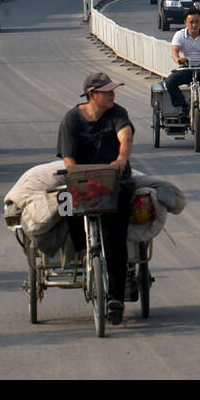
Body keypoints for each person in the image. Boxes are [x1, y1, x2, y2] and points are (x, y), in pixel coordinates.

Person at [57, 72, 136, 326]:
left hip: (114, 181)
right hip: (82, 181)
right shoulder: (71, 120)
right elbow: (68, 157)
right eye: (107, 91)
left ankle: (116, 298)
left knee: (116, 238)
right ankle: (81, 249)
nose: (113, 95)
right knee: (63, 203)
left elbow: (125, 136)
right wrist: (74, 172)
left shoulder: (117, 113)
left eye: (113, 90)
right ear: (92, 95)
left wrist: (122, 157)